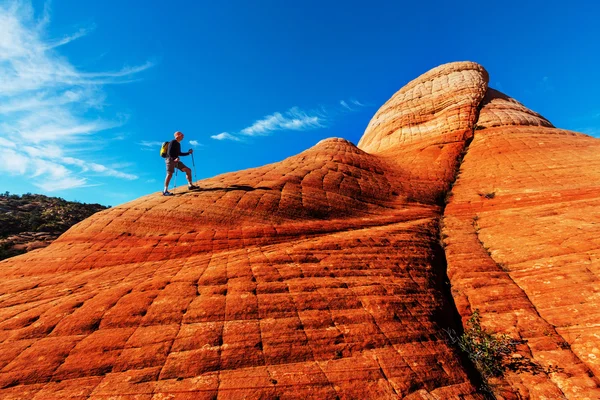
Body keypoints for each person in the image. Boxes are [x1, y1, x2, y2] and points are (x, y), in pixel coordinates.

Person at [163, 131, 199, 196]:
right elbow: (169, 152)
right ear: (177, 135)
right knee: (169, 174)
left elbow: (179, 153)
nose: (183, 136)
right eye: (182, 135)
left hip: (176, 160)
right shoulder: (173, 142)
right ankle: (165, 191)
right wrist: (174, 159)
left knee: (188, 170)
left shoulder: (178, 144)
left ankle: (190, 185)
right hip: (170, 160)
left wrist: (188, 153)